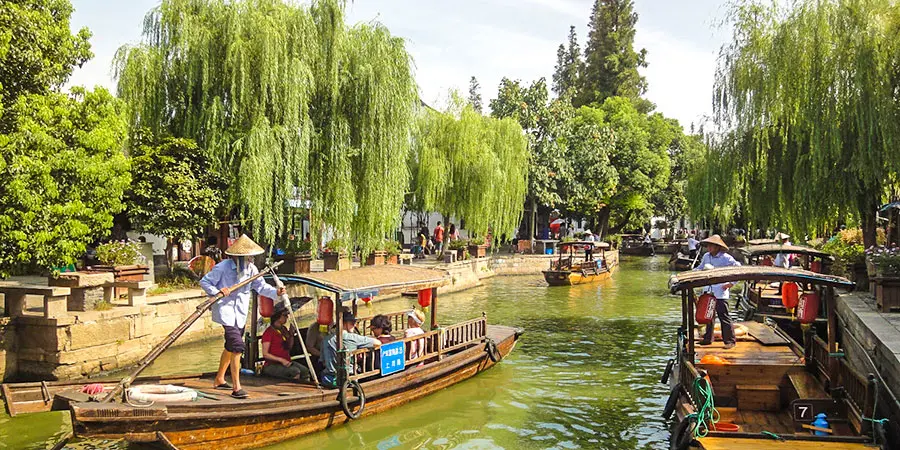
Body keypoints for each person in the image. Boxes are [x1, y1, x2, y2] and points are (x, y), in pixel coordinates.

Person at [200, 234, 284, 399]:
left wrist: (276, 292)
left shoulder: (252, 269)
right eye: (248, 257)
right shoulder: (223, 267)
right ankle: (237, 387)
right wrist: (218, 291)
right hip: (226, 311)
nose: (250, 259)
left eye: (251, 257)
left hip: (240, 313)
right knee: (237, 346)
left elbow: (261, 287)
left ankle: (219, 378)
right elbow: (205, 281)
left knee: (230, 346)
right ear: (238, 257)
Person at [694, 235, 741, 350]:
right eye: (708, 245)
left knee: (723, 316)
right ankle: (708, 338)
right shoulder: (706, 256)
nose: (709, 248)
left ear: (717, 247)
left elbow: (738, 268)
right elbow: (700, 268)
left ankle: (730, 341)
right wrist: (691, 273)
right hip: (708, 291)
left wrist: (731, 283)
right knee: (708, 316)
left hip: (720, 291)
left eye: (711, 246)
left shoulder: (726, 258)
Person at [320, 311, 381, 388]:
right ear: (344, 323)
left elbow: (323, 361)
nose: (355, 325)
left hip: (328, 379)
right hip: (349, 379)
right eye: (352, 323)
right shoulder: (352, 337)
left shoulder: (326, 340)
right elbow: (377, 342)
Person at [261, 304, 311, 382]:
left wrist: (291, 335)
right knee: (295, 371)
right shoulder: (269, 333)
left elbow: (289, 347)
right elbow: (265, 354)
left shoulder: (283, 329)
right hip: (272, 365)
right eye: (284, 315)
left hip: (286, 362)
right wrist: (281, 360)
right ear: (277, 317)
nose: (287, 317)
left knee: (305, 370)